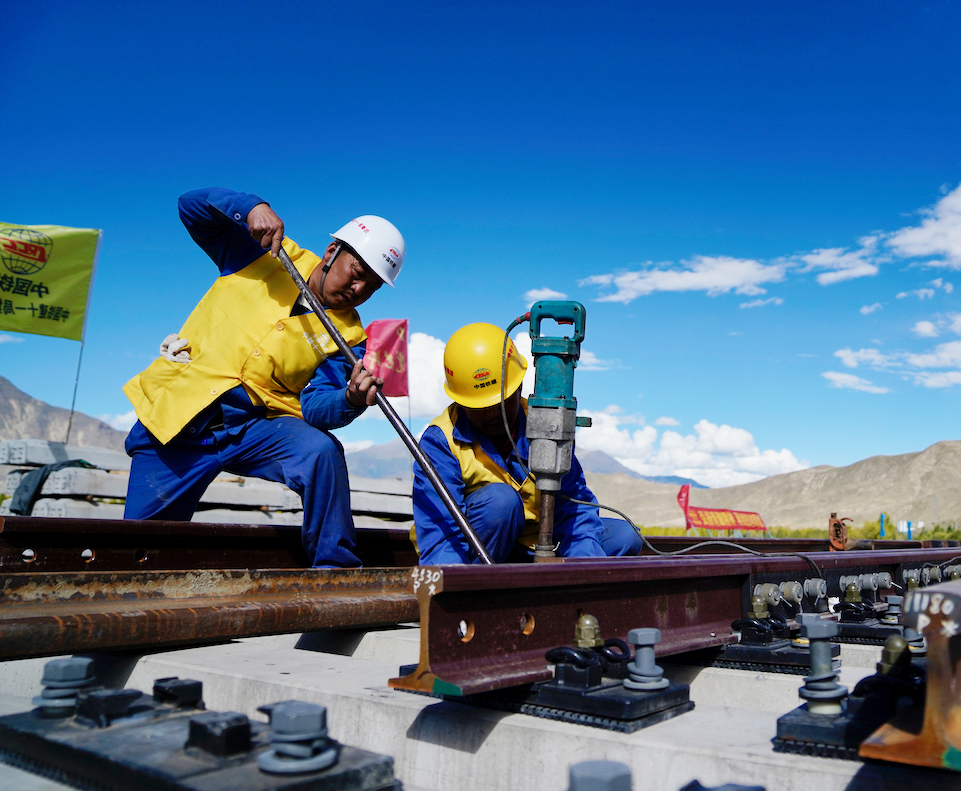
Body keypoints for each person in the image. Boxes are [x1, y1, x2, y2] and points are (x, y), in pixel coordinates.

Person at [122, 187, 404, 568]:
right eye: (357, 273)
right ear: (333, 250)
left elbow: (317, 407)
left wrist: (349, 400)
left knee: (320, 451)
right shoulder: (265, 252)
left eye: (372, 287)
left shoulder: (351, 338)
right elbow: (190, 207)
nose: (359, 290)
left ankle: (335, 572)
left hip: (252, 429)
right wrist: (251, 207)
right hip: (178, 421)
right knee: (135, 552)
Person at [412, 323, 644, 564]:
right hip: (478, 549)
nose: (492, 414)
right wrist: (456, 589)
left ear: (519, 387)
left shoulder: (547, 425)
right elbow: (441, 535)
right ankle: (486, 590)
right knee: (501, 503)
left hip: (532, 544)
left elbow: (574, 508)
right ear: (461, 401)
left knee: (623, 536)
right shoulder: (441, 442)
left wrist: (583, 572)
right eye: (480, 407)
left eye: (500, 403)